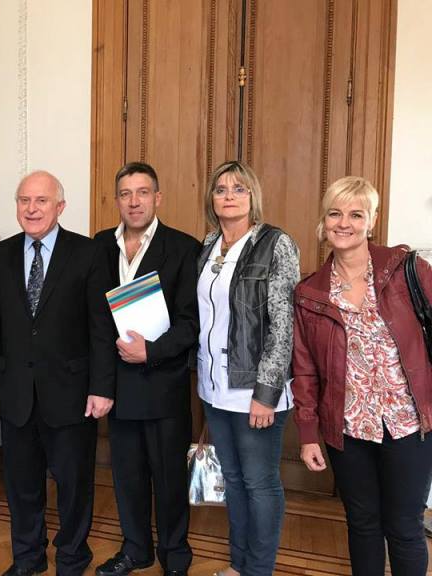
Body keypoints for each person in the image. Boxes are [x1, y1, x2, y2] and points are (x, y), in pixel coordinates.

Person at [0, 170, 116, 576]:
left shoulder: (88, 253)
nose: (32, 209)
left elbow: (101, 328)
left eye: (41, 201)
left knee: (73, 485)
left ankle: (72, 557)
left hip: (72, 394)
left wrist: (102, 387)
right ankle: (28, 558)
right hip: (16, 393)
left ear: (60, 207)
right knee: (21, 485)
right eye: (24, 200)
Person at [293, 176, 432, 575]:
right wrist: (308, 434)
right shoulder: (310, 293)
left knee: (404, 526)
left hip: (408, 425)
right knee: (362, 523)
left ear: (372, 220)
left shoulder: (408, 270)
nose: (344, 223)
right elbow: (305, 370)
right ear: (324, 220)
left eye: (356, 214)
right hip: (349, 428)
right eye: (335, 213)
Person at [93, 162, 200, 576]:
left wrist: (151, 351)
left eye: (142, 192)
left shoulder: (183, 247)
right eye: (125, 193)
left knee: (169, 479)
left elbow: (191, 322)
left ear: (158, 198)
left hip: (163, 383)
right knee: (127, 476)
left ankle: (175, 556)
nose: (133, 201)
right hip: (117, 385)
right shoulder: (100, 245)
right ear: (116, 200)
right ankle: (136, 550)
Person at [196, 161, 299, 576]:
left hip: (255, 390)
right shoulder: (209, 244)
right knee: (234, 481)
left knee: (260, 483)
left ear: (253, 195)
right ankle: (239, 566)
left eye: (239, 188)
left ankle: (258, 570)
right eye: (221, 189)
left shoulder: (276, 243)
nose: (229, 196)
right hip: (214, 388)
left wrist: (266, 393)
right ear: (211, 198)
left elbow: (283, 324)